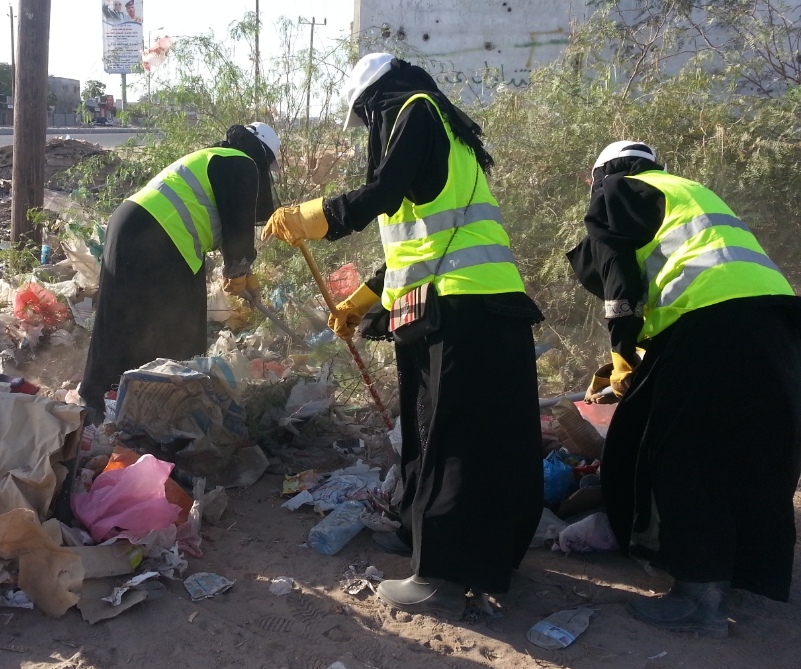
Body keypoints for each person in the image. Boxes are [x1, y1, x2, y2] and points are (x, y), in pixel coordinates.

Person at [262, 54, 543, 618]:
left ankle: (443, 576)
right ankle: (426, 535)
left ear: (376, 99)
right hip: (460, 309)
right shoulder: (447, 137)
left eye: (366, 118)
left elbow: (382, 193)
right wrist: (361, 302)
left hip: (463, 307)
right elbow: (412, 246)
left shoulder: (415, 109)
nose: (369, 130)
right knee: (437, 432)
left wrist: (312, 216)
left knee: (455, 442)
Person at [567, 141, 801, 638]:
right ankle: (744, 575)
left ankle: (701, 598)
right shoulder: (689, 192)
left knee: (688, 454)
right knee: (754, 452)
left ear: (602, 173)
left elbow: (615, 271)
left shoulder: (615, 187)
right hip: (778, 324)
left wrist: (621, 351)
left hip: (710, 324)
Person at [79, 123, 280, 416]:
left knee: (118, 322)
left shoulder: (214, 157)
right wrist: (239, 270)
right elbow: (238, 230)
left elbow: (228, 221)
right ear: (262, 154)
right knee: (182, 330)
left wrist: (246, 276)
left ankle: (99, 405)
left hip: (128, 225)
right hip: (161, 237)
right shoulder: (242, 162)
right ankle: (171, 410)